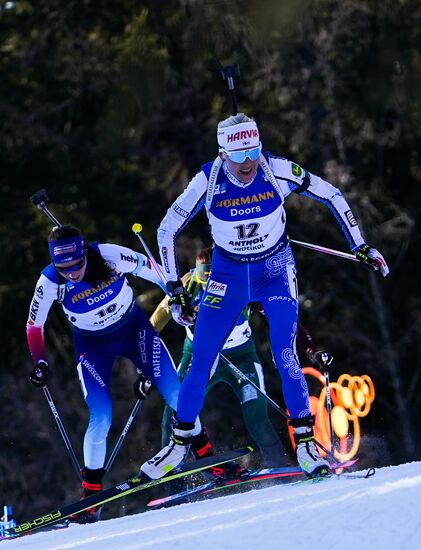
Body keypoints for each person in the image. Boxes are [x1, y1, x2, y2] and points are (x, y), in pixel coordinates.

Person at [139, 113, 389, 480]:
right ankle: (179, 445)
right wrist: (174, 289)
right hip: (228, 275)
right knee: (201, 358)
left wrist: (361, 245)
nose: (247, 163)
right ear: (223, 154)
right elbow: (165, 230)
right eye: (238, 156)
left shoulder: (277, 169)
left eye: (253, 151)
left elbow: (332, 194)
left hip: (274, 271)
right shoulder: (207, 180)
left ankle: (305, 443)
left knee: (284, 352)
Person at [26, 224, 207, 521]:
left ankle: (207, 457)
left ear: (85, 253)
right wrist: (40, 361)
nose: (71, 273)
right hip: (92, 346)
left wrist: (174, 292)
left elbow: (152, 268)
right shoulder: (49, 281)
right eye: (63, 268)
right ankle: (91, 495)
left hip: (134, 330)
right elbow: (34, 325)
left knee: (176, 392)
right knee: (101, 415)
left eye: (77, 265)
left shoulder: (108, 255)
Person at [151, 247, 287, 471]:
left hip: (241, 356)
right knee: (174, 412)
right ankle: (173, 480)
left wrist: (201, 317)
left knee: (256, 415)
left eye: (210, 281)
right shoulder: (188, 282)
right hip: (197, 356)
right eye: (202, 281)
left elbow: (243, 315)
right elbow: (160, 314)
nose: (206, 286)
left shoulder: (240, 278)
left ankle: (281, 470)